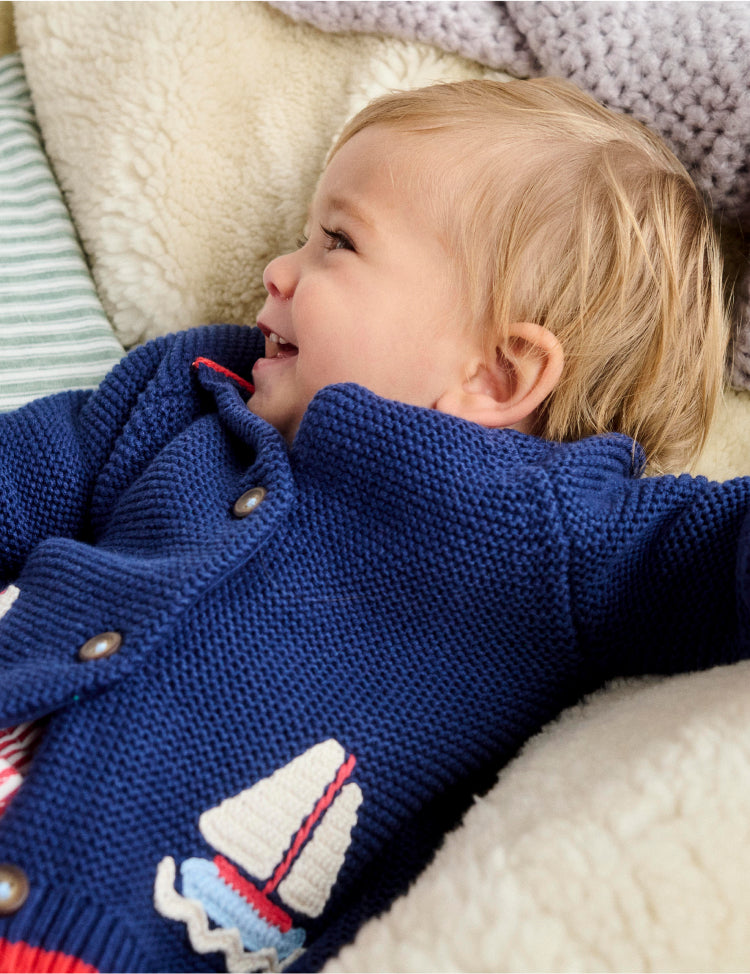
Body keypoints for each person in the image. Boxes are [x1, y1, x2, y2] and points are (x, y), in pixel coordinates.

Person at [0, 78, 747, 974]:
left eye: (337, 243)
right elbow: (26, 468)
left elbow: (715, 555)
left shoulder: (555, 532)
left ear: (500, 374)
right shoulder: (191, 388)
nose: (277, 270)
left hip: (129, 939)